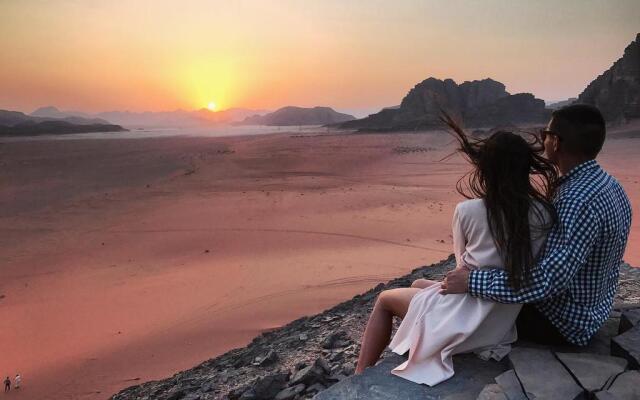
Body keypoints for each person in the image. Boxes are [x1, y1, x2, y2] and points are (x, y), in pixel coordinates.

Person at [355, 112, 559, 385]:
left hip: (467, 324)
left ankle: (359, 376)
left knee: (384, 300)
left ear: (486, 169)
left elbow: (462, 264)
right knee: (418, 282)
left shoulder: (468, 210)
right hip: (501, 321)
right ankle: (413, 336)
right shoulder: (544, 212)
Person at [442, 104, 632, 347]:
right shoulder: (610, 184)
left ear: (556, 142)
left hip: (561, 323)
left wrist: (471, 282)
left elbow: (547, 281)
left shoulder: (576, 201)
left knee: (447, 307)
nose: (543, 139)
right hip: (593, 311)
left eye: (546, 134)